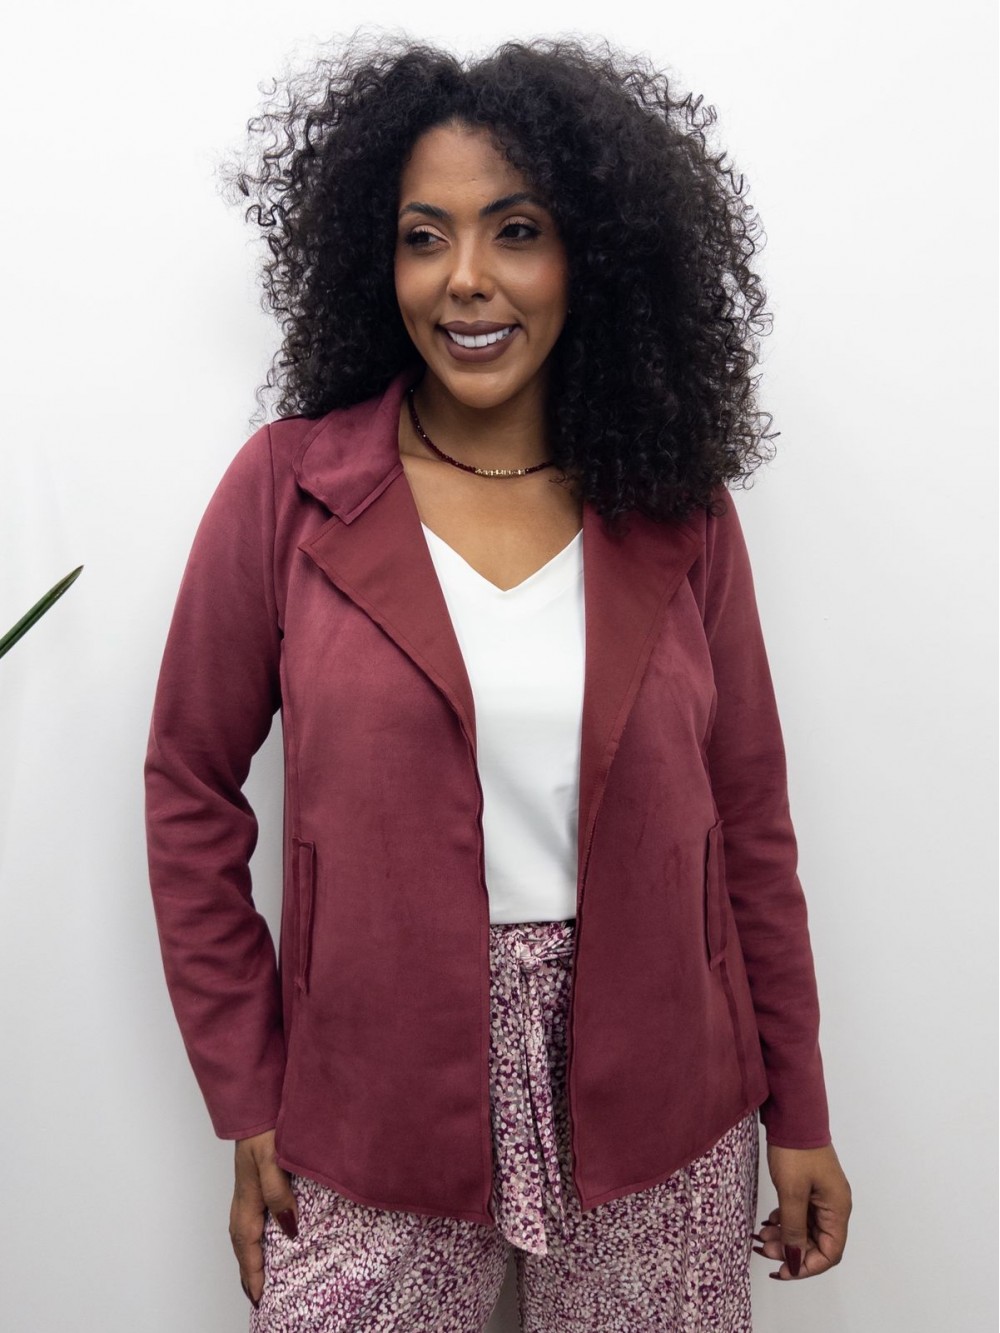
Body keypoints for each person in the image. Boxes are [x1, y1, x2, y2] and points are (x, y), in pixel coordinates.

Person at [145, 34, 852, 1331]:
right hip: (367, 1093)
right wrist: (247, 1089)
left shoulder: (677, 507)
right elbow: (189, 787)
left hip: (666, 1092)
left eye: (515, 231)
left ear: (593, 254)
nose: (465, 277)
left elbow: (750, 818)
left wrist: (799, 1105)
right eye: (424, 238)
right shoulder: (289, 491)